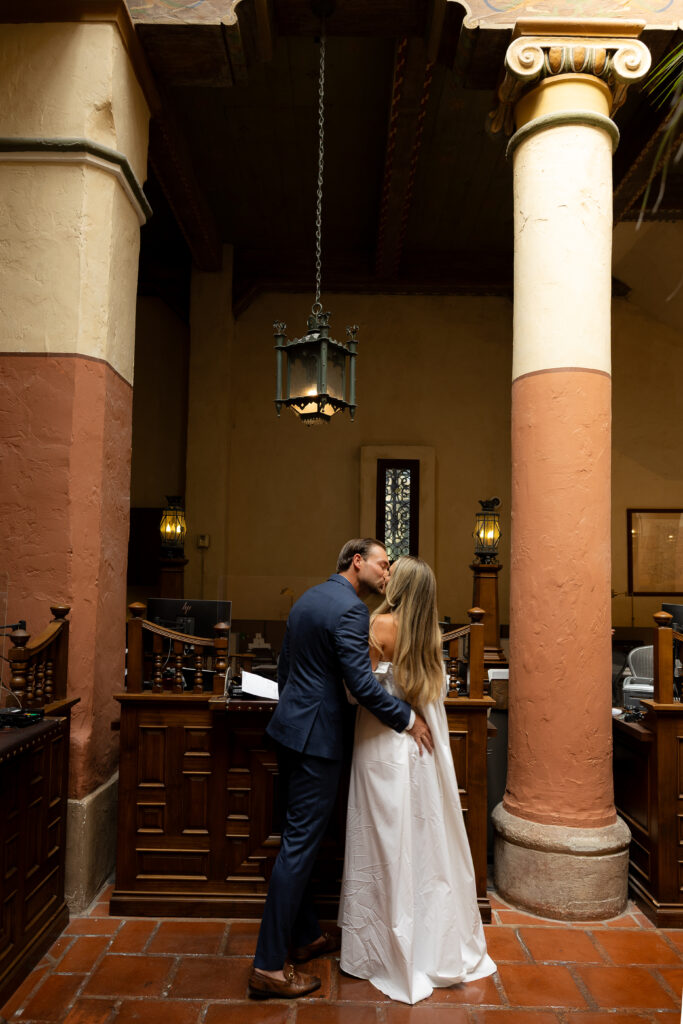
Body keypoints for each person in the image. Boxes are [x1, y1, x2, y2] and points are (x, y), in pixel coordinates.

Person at [249, 539, 434, 1000]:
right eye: (382, 564)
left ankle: (308, 935)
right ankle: (268, 966)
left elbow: (287, 670)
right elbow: (362, 685)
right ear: (358, 562)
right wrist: (408, 719)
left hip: (290, 733)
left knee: (300, 841)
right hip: (318, 741)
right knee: (299, 846)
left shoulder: (308, 598)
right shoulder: (352, 611)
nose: (388, 573)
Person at [338, 555, 497, 1004]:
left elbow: (356, 691)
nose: (384, 576)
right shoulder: (430, 634)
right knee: (422, 848)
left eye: (392, 573)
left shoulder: (380, 624)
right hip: (422, 752)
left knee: (383, 846)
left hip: (381, 745)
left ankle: (380, 948)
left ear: (400, 586)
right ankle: (430, 942)